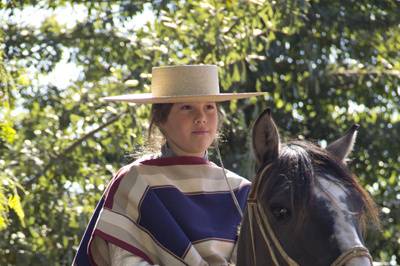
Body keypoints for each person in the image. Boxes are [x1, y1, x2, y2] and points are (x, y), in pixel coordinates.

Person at [73, 65, 264, 266]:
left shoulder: (241, 190)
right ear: (160, 119)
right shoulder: (135, 182)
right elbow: (126, 260)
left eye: (209, 107)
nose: (201, 117)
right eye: (186, 108)